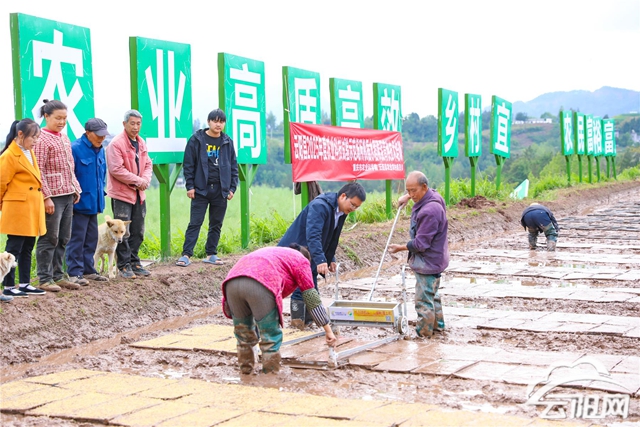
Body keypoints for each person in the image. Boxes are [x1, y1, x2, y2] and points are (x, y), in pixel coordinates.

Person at [221, 244, 337, 374]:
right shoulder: (301, 260)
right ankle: (270, 377)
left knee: (243, 336)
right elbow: (311, 297)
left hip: (231, 283)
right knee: (270, 337)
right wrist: (328, 330)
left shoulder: (276, 254)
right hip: (261, 282)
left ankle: (245, 373)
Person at [278, 182, 366, 329]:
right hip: (296, 251)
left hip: (310, 254)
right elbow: (313, 235)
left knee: (310, 288)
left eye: (356, 207)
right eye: (352, 204)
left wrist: (330, 258)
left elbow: (332, 236)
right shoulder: (320, 206)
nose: (353, 209)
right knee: (302, 287)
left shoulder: (341, 212)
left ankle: (306, 323)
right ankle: (298, 323)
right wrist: (320, 259)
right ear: (343, 196)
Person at [388, 171, 449, 338]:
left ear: (424, 187)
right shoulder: (433, 196)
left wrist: (400, 248)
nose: (411, 194)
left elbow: (421, 244)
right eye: (408, 190)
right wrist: (408, 197)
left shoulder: (429, 211)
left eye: (413, 191)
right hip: (437, 258)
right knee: (432, 295)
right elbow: (416, 193)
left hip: (428, 261)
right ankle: (438, 328)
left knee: (423, 300)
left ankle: (424, 334)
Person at [176, 109, 238, 267]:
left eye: (221, 122)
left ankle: (211, 254)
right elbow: (188, 164)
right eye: (215, 121)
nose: (218, 124)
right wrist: (190, 186)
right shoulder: (197, 140)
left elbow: (233, 166)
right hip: (200, 189)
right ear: (209, 122)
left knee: (216, 224)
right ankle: (186, 255)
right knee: (195, 222)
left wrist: (232, 188)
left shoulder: (227, 141)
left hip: (221, 190)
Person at [34, 99, 82, 292]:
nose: (62, 122)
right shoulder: (41, 139)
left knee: (64, 237)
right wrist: (46, 197)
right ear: (46, 116)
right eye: (58, 118)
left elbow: (70, 166)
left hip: (67, 193)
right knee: (49, 237)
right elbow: (38, 170)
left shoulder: (64, 137)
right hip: (52, 196)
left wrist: (75, 188)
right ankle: (44, 278)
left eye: (64, 118)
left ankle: (58, 276)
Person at [0, 118, 48, 300]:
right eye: (33, 137)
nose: (36, 141)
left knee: (28, 245)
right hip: (18, 207)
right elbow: (1, 184)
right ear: (20, 134)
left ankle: (25, 283)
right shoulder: (9, 155)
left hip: (30, 207)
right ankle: (8, 286)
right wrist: (3, 206)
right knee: (14, 248)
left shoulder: (28, 152)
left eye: (37, 137)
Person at [106, 110, 153, 279]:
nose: (135, 127)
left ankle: (134, 262)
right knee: (122, 232)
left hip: (139, 193)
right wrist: (138, 181)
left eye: (138, 124)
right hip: (122, 195)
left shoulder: (141, 142)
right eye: (132, 123)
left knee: (138, 230)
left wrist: (145, 180)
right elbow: (116, 169)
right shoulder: (116, 144)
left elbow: (148, 164)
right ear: (124, 124)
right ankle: (124, 265)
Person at [66, 119, 110, 285]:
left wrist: (100, 198)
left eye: (104, 135)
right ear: (88, 133)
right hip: (79, 203)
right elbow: (70, 176)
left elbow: (101, 175)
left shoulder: (100, 150)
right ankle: (74, 272)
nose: (102, 138)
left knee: (91, 238)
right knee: (77, 239)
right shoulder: (75, 149)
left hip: (94, 202)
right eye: (98, 135)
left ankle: (88, 270)